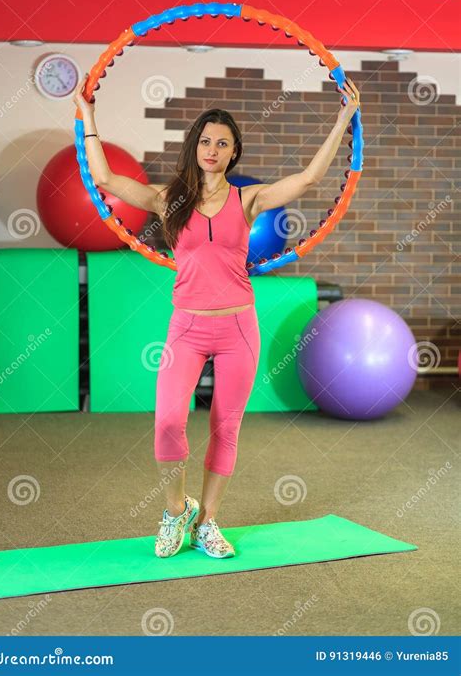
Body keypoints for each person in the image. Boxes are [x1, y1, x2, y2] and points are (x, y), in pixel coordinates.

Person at [73, 72, 360, 560]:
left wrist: (344, 120)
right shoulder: (171, 199)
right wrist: (88, 116)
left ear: (233, 153)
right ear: (195, 147)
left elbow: (309, 179)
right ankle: (173, 512)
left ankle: (207, 521)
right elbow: (104, 178)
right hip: (186, 326)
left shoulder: (249, 199)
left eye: (222, 143)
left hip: (238, 328)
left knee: (226, 427)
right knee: (167, 421)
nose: (212, 149)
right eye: (205, 141)